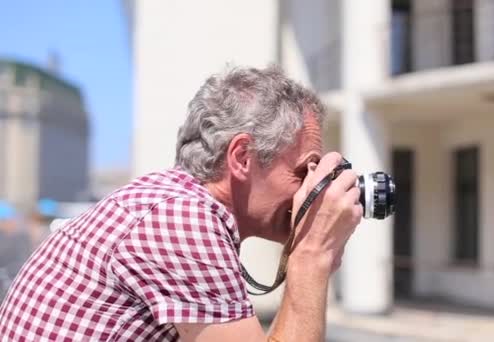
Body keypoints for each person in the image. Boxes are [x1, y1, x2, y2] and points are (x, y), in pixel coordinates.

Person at [0, 66, 363, 341]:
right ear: (242, 157)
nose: (313, 190)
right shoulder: (182, 219)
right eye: (305, 170)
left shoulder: (165, 199)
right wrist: (312, 253)